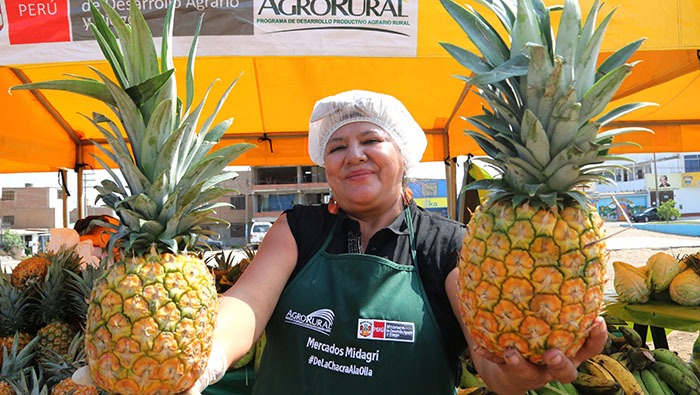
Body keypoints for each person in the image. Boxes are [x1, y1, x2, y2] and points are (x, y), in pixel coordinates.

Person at [76, 90, 608, 394]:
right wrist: (202, 360)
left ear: (403, 156)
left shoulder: (452, 244)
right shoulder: (299, 228)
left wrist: (524, 373)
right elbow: (247, 305)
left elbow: (491, 364)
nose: (353, 155)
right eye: (337, 147)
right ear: (324, 166)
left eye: (370, 140)